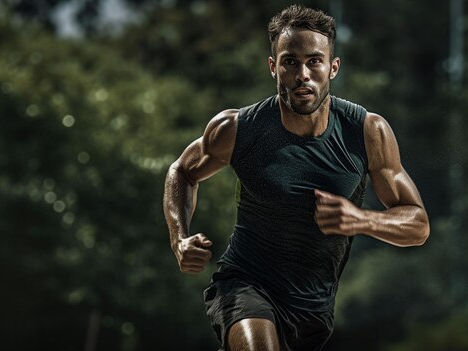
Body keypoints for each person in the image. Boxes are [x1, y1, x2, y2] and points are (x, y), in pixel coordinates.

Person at [163, 5, 429, 351]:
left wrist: (363, 220)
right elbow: (182, 171)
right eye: (290, 61)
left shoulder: (367, 132)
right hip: (244, 285)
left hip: (314, 309)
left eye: (314, 61)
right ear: (274, 67)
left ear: (332, 68)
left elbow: (418, 225)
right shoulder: (237, 129)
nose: (302, 73)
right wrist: (179, 239)